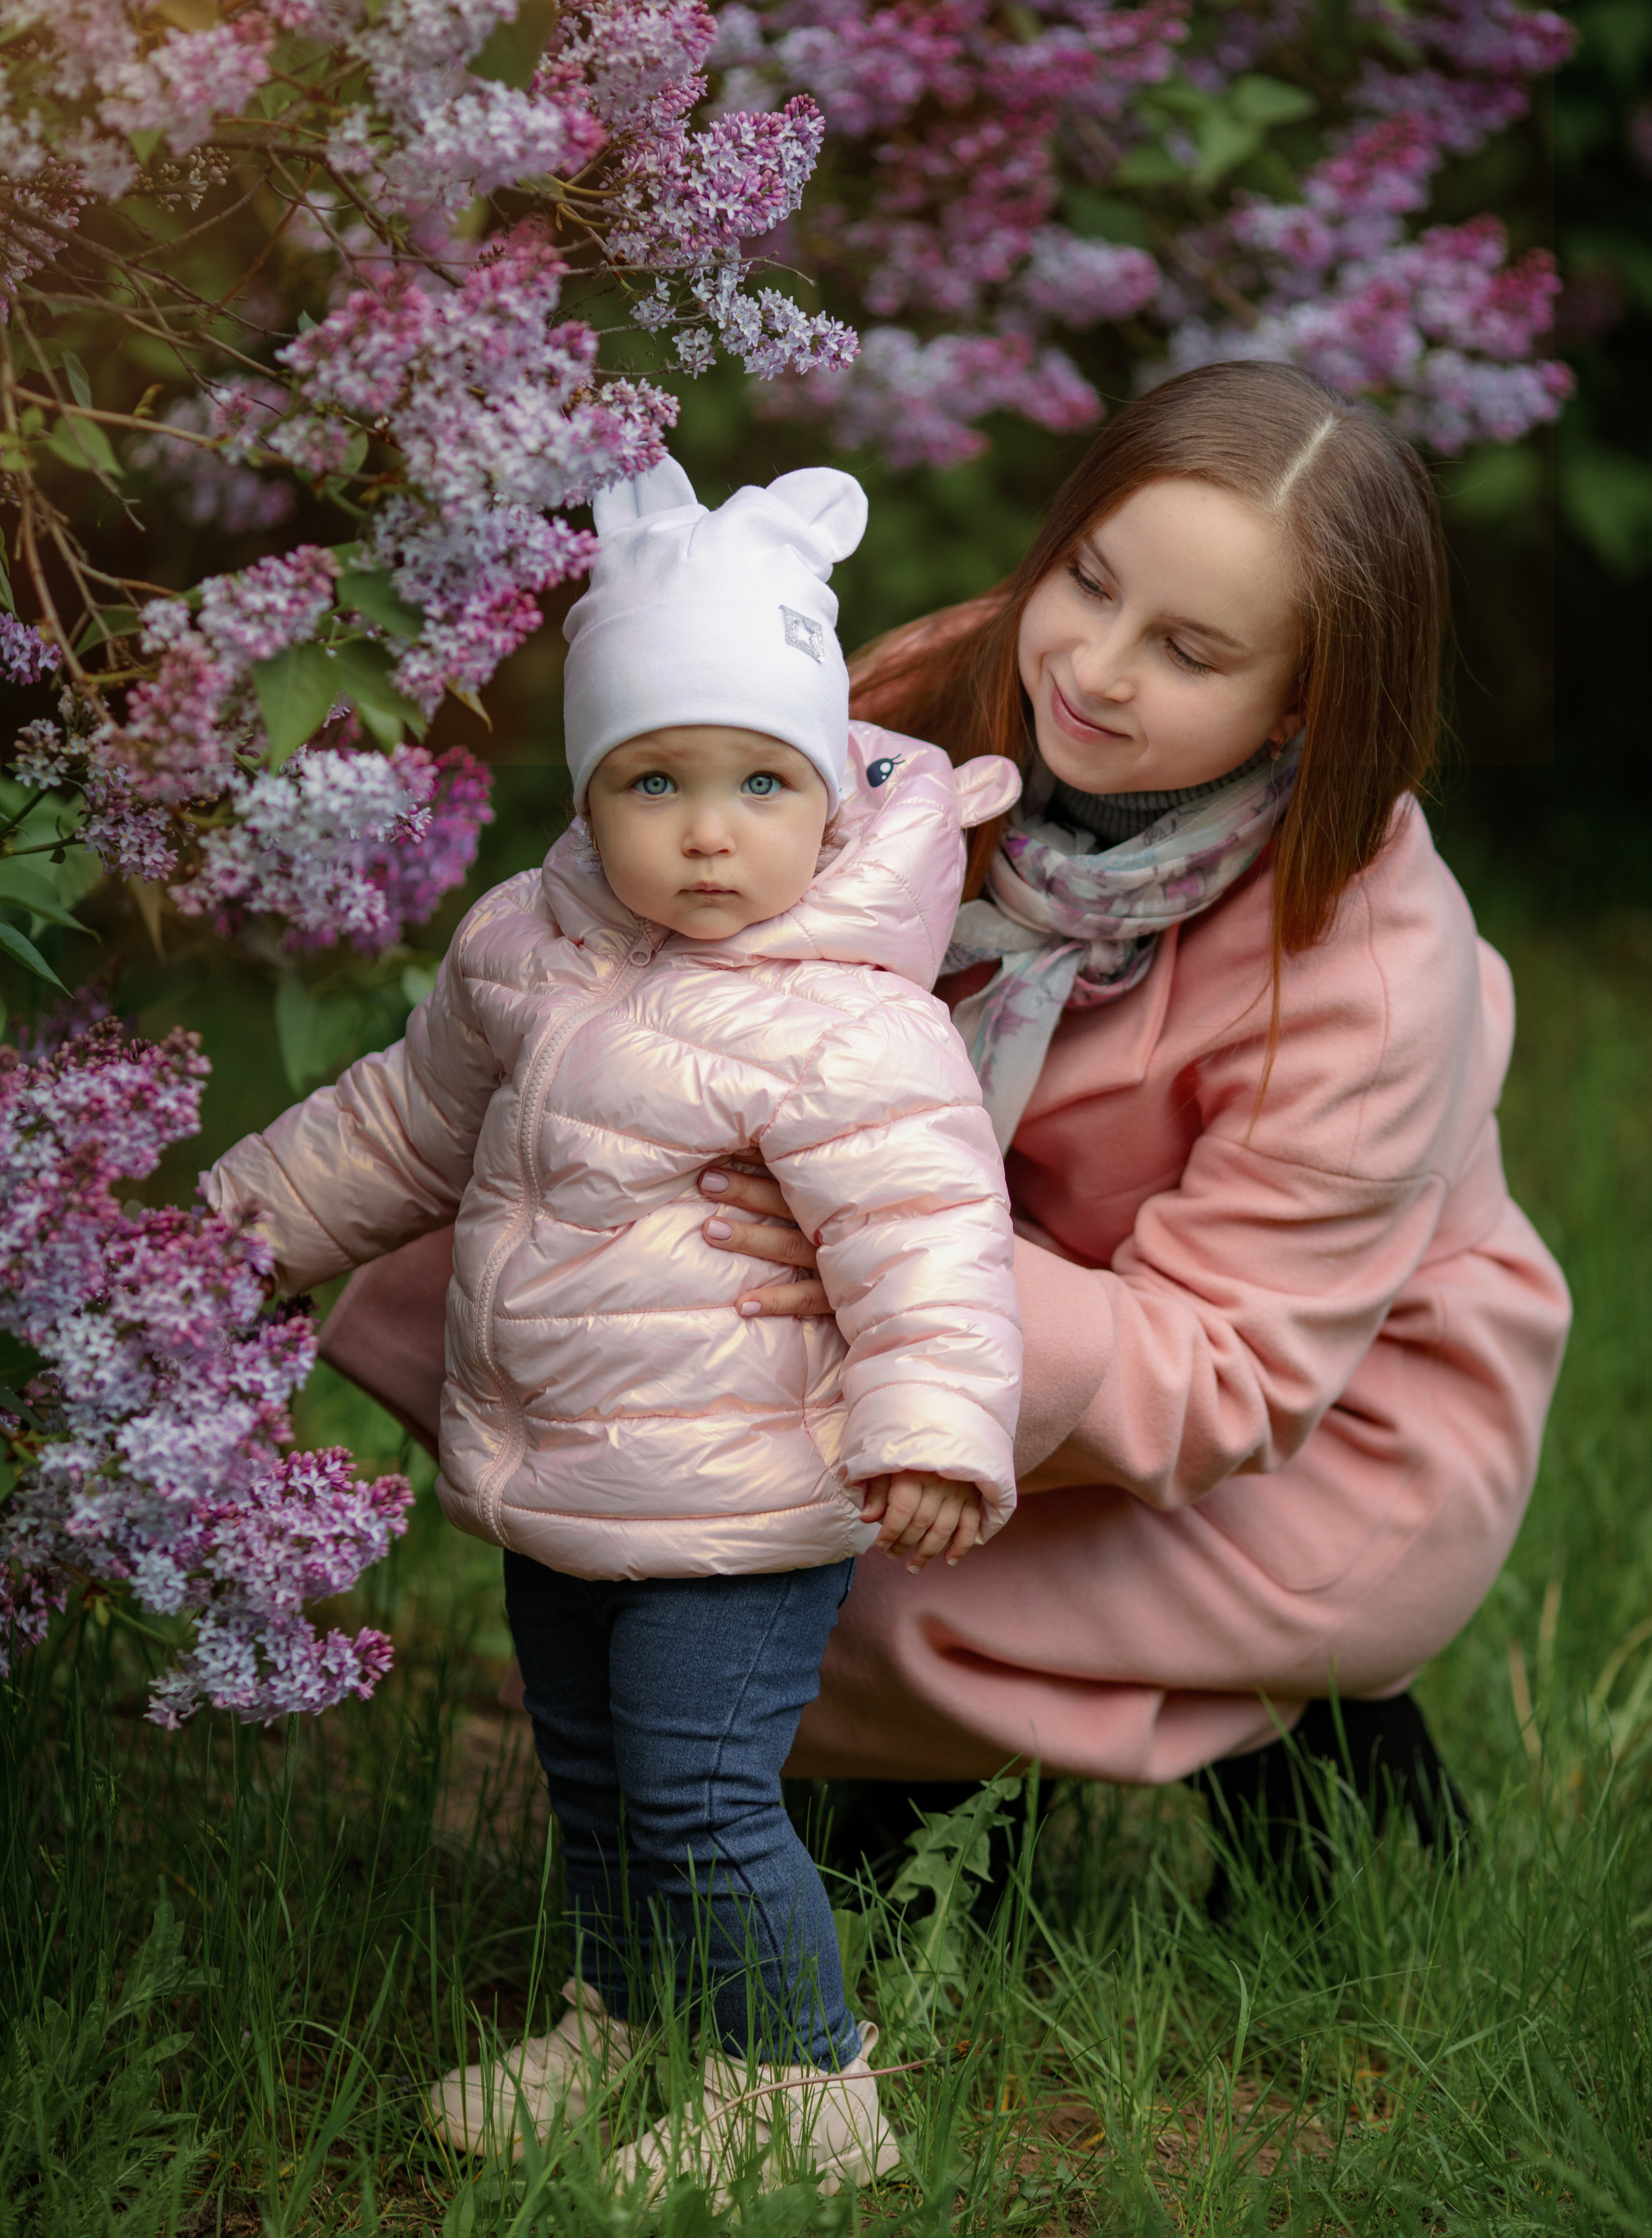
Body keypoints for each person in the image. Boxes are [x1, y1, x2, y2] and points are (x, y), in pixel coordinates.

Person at [321, 362, 1569, 1898]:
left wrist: (907, 1298)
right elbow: (691, 961)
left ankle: (1283, 1754)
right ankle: (876, 1786)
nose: (1094, 669)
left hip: (1287, 1422)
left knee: (824, 1561)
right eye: (1086, 582)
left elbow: (1233, 1368)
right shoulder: (929, 706)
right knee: (560, 1325)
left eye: (1185, 650)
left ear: (1301, 700)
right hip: (907, 1254)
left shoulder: (1365, 967)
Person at [205, 458, 1023, 2193]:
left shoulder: (844, 1023)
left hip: (738, 1500)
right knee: (589, 1777)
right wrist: (232, 1244)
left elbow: (931, 1239)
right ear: (589, 793)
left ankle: (803, 2098)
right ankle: (635, 2017)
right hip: (564, 1473)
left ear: (821, 792)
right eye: (655, 780)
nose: (709, 830)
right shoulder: (527, 943)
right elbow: (401, 1124)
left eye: (758, 782)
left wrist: (936, 1427)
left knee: (701, 1796)